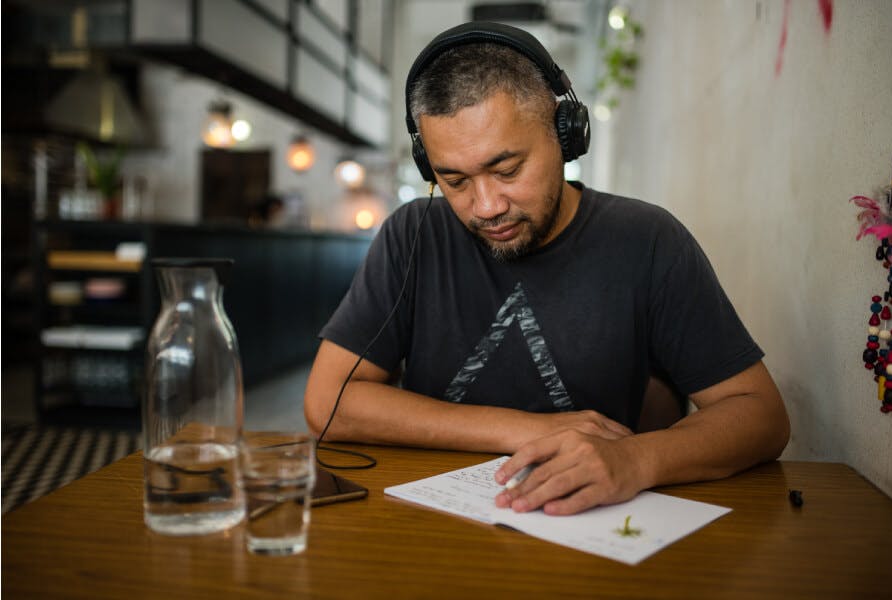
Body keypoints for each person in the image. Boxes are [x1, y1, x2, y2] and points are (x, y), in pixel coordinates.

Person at [304, 22, 790, 516]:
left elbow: (760, 414)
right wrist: (530, 430)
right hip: (437, 527)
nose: (486, 206)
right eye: (454, 180)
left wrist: (635, 460)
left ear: (565, 135)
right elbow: (327, 403)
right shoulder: (413, 234)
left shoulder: (647, 239)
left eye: (508, 170)